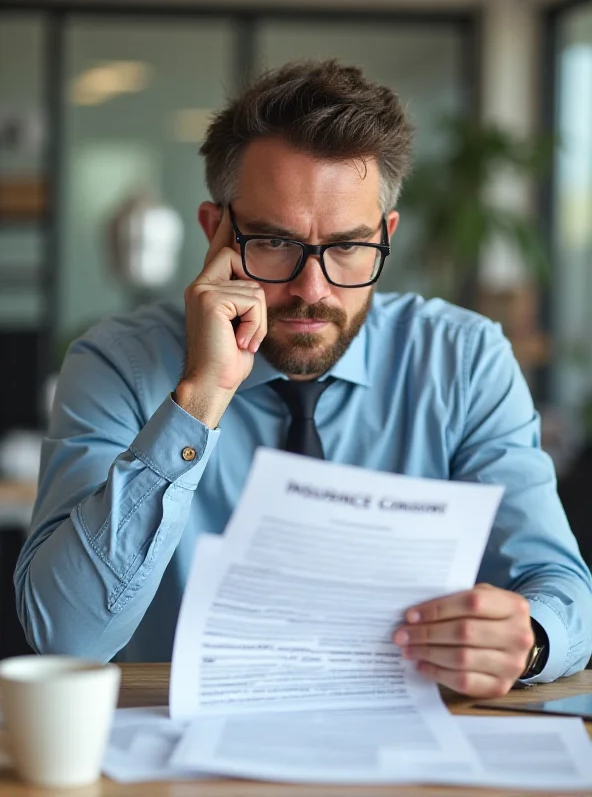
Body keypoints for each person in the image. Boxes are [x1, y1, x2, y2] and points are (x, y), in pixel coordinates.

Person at [15, 60, 592, 698]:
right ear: (216, 234)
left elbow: (560, 586)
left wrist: (531, 638)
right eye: (273, 243)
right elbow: (66, 638)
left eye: (348, 247)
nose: (311, 290)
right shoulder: (117, 364)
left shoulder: (464, 361)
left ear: (386, 237)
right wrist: (200, 396)